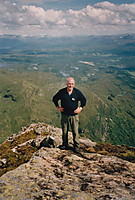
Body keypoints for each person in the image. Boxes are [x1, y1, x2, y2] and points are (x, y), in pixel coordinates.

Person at [52, 77, 86, 152]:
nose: (70, 85)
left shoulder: (77, 92)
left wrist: (80, 108)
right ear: (66, 84)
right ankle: (65, 145)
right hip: (64, 115)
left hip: (74, 115)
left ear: (74, 84)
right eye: (69, 84)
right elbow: (54, 99)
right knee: (64, 131)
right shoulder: (62, 92)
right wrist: (58, 107)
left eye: (72, 84)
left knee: (75, 131)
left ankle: (76, 146)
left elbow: (84, 100)